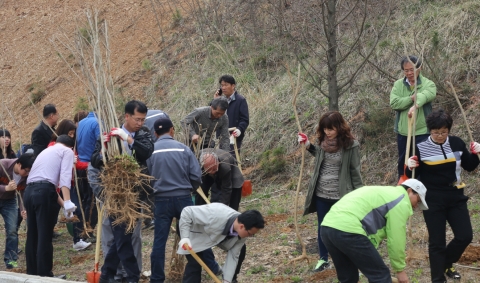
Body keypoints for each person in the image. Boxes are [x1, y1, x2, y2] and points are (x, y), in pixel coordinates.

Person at [406, 109, 480, 282]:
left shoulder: (456, 143)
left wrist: (477, 153)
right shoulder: (420, 146)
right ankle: (438, 278)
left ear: (449, 130)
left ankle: (445, 263)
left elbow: (470, 166)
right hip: (432, 198)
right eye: (436, 132)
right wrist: (409, 166)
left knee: (465, 236)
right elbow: (412, 175)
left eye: (444, 132)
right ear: (430, 131)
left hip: (455, 196)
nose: (440, 136)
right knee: (437, 242)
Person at [320, 179, 429, 283]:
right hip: (348, 230)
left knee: (348, 278)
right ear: (409, 191)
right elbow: (396, 239)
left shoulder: (385, 193)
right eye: (418, 200)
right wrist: (400, 270)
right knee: (380, 276)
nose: (416, 206)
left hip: (327, 227)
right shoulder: (401, 201)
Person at [93, 100, 154, 283]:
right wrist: (104, 148)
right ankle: (128, 275)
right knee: (121, 235)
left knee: (125, 235)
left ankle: (109, 274)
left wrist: (128, 139)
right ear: (126, 116)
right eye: (137, 119)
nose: (140, 123)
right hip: (114, 193)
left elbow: (146, 153)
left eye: (143, 119)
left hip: (135, 193)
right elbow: (95, 161)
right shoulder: (109, 135)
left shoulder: (143, 133)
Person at [297, 111, 363, 272]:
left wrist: (360, 194)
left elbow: (355, 171)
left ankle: (347, 259)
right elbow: (319, 156)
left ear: (339, 127)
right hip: (321, 194)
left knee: (342, 228)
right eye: (325, 129)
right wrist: (308, 145)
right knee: (323, 227)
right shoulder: (323, 142)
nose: (327, 132)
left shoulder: (350, 145)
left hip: (340, 195)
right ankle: (323, 259)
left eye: (331, 129)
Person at [147, 116, 203, 283]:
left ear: (155, 133)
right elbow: (196, 175)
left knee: (159, 241)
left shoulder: (150, 151)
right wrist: (189, 189)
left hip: (161, 200)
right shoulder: (183, 149)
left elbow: (146, 177)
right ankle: (195, 276)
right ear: (172, 130)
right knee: (191, 237)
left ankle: (156, 279)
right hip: (183, 199)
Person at [24, 134, 77, 277]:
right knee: (44, 234)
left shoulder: (46, 151)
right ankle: (45, 274)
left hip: (29, 192)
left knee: (32, 234)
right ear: (70, 147)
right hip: (43, 192)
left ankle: (31, 273)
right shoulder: (67, 151)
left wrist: (64, 205)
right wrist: (67, 201)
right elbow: (65, 177)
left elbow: (49, 187)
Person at [178, 203, 265, 283]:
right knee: (195, 264)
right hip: (190, 232)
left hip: (214, 237)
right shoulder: (215, 214)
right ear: (242, 226)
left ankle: (230, 278)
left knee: (241, 249)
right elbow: (187, 212)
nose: (249, 237)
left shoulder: (242, 233)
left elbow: (233, 256)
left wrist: (227, 280)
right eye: (250, 234)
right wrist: (185, 237)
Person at [390, 55, 436, 179]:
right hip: (403, 132)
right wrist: (411, 98)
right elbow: (394, 103)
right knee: (404, 161)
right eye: (406, 70)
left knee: (422, 161)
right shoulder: (398, 85)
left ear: (419, 68)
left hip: (422, 131)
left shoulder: (428, 84)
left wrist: (416, 105)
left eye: (412, 69)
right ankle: (404, 186)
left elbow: (426, 95)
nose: (410, 73)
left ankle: (421, 189)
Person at [0, 154, 35, 269]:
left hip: (8, 202)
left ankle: (11, 261)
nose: (27, 174)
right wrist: (5, 188)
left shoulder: (25, 177)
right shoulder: (3, 165)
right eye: (26, 171)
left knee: (12, 231)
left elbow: (22, 193)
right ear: (19, 164)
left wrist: (23, 208)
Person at [213, 75, 249, 154]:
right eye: (222, 85)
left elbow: (245, 119)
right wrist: (215, 101)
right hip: (222, 136)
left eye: (226, 85)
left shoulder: (240, 100)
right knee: (222, 160)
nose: (223, 88)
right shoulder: (221, 100)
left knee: (232, 159)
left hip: (234, 136)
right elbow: (212, 114)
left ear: (233, 86)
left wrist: (239, 129)